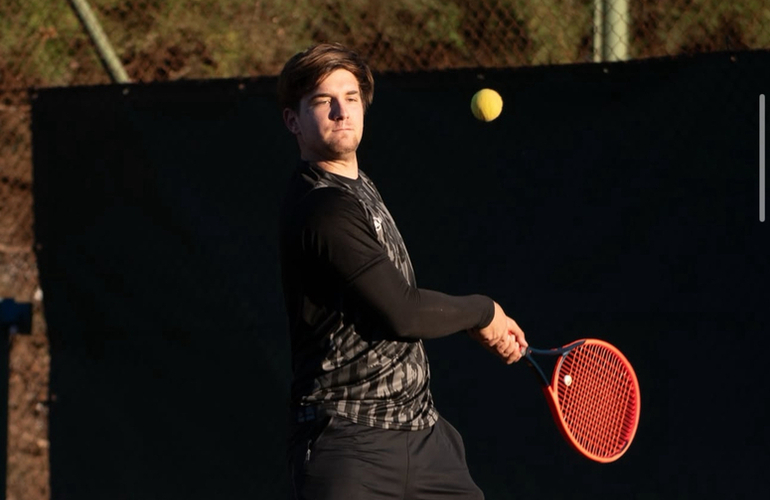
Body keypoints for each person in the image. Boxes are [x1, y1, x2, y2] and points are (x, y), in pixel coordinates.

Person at [278, 43, 528, 500]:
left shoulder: (357, 187)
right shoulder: (322, 209)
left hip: (424, 438)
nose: (340, 111)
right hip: (350, 445)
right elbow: (403, 313)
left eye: (351, 97)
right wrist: (484, 311)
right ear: (292, 120)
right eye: (322, 100)